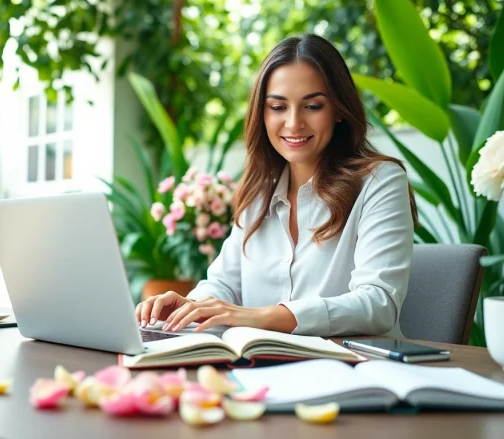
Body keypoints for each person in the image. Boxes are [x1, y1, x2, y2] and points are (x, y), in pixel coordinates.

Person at [135, 34, 418, 337]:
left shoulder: (379, 182)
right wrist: (188, 307)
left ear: (338, 109)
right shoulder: (259, 192)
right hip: (262, 370)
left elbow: (378, 303)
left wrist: (262, 316)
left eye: (312, 106)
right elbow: (224, 285)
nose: (294, 123)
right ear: (262, 113)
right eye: (278, 107)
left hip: (354, 370)